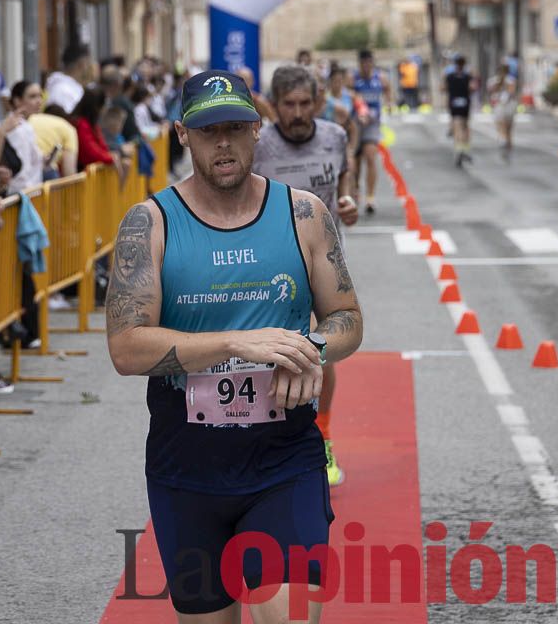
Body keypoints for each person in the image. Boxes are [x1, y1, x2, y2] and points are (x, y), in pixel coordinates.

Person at [105, 68, 363, 621]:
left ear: (256, 130)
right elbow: (126, 348)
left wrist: (310, 350)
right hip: (186, 463)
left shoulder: (303, 215)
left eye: (235, 127)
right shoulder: (149, 223)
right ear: (182, 135)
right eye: (206, 131)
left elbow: (346, 318)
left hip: (284, 456)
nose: (222, 143)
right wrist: (234, 344)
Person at [252, 65, 358, 489]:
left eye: (304, 104)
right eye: (288, 105)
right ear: (274, 105)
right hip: (269, 261)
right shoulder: (260, 146)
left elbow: (341, 184)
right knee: (269, 350)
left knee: (318, 346)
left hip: (324, 257)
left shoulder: (334, 136)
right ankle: (262, 438)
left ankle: (323, 437)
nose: (297, 113)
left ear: (317, 102)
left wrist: (349, 203)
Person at [10, 81, 79, 178]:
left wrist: (43, 161)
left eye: (40, 96)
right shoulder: (13, 127)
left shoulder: (27, 126)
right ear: (17, 101)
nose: (39, 101)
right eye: (33, 96)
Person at [351, 49, 389, 214]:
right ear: (359, 64)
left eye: (369, 63)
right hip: (356, 125)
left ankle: (371, 197)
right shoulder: (353, 79)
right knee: (356, 163)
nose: (366, 67)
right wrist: (358, 104)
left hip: (372, 124)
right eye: (363, 63)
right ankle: (357, 189)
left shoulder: (380, 78)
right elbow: (347, 95)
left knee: (371, 156)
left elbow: (388, 90)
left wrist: (389, 104)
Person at [46, 43, 95, 114]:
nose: (90, 68)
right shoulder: (62, 90)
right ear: (82, 64)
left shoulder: (69, 88)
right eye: (88, 63)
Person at [446, 55, 473, 166]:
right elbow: (473, 88)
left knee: (457, 128)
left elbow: (443, 88)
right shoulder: (467, 76)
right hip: (465, 104)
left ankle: (459, 150)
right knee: (465, 127)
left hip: (454, 104)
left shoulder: (450, 76)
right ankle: (465, 149)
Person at [488, 62, 518, 161]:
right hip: (510, 106)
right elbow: (512, 93)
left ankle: (503, 141)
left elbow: (491, 92)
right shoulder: (511, 80)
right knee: (509, 129)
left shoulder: (493, 81)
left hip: (500, 106)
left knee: (501, 126)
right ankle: (508, 148)